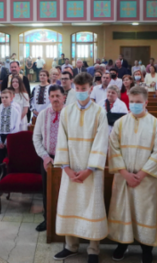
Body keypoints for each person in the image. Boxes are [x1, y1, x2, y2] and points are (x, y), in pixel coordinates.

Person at [51, 73, 108, 263]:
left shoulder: (100, 112)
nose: (81, 92)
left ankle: (93, 249)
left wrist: (89, 169)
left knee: (93, 207)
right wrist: (66, 168)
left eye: (84, 89)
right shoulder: (67, 112)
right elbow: (62, 140)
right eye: (78, 89)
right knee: (70, 204)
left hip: (91, 171)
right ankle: (71, 246)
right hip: (71, 169)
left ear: (91, 88)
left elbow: (101, 142)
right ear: (74, 89)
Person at [108, 86, 157, 263]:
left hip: (145, 180)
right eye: (131, 102)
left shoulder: (155, 124)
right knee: (122, 211)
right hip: (123, 178)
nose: (134, 105)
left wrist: (140, 175)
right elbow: (113, 148)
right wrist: (125, 173)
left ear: (146, 102)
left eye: (138, 102)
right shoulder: (120, 123)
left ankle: (146, 249)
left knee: (145, 213)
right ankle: (122, 244)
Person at [32, 85, 66, 232]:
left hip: (66, 160)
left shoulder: (70, 114)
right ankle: (48, 219)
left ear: (64, 97)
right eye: (52, 96)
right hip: (48, 159)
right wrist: (45, 156)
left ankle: (64, 221)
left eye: (57, 96)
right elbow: (36, 138)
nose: (55, 99)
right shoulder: (43, 114)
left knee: (64, 190)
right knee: (47, 190)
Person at [0, 89, 21, 176]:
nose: (4, 99)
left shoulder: (15, 110)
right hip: (0, 137)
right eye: (2, 98)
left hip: (10, 137)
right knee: (0, 159)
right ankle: (1, 177)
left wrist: (7, 141)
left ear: (11, 98)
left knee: (10, 158)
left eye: (6, 97)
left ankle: (11, 176)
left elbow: (16, 127)